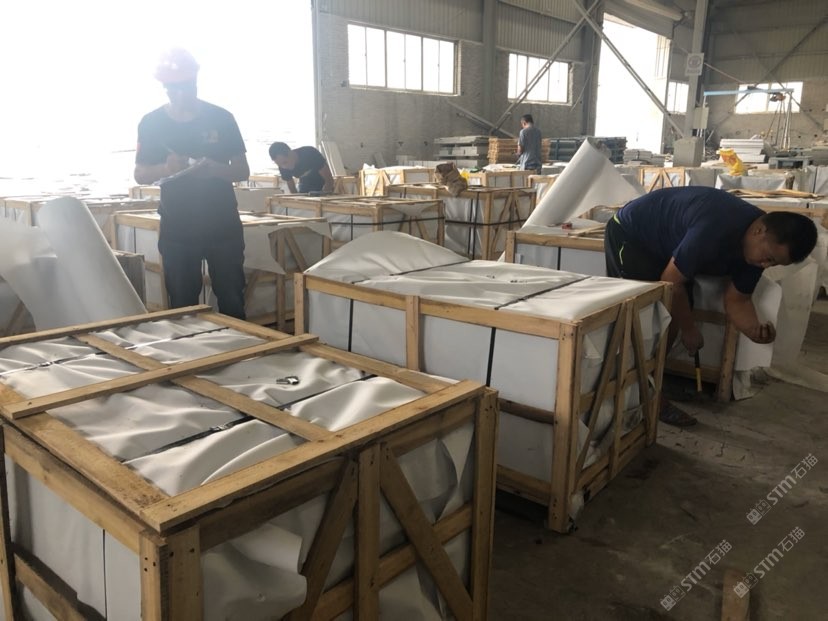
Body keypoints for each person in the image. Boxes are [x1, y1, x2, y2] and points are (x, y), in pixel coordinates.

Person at [604, 186, 818, 427]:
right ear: (759, 231)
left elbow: (738, 300)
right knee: (643, 317)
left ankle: (651, 385)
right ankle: (637, 394)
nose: (765, 265)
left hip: (665, 246)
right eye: (768, 257)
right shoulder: (716, 227)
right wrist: (689, 329)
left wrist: (754, 331)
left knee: (669, 316)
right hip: (631, 235)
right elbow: (671, 282)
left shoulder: (755, 254)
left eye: (774, 263)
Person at [134, 48, 250, 319]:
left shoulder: (222, 118)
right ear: (165, 88)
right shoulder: (151, 124)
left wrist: (215, 170)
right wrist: (166, 168)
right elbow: (140, 174)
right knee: (183, 307)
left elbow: (242, 170)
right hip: (178, 229)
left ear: (196, 82)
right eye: (174, 89)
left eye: (187, 87)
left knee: (232, 299)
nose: (182, 95)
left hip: (223, 226)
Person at [268, 142, 334, 193]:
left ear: (290, 153)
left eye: (285, 162)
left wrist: (322, 197)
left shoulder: (310, 153)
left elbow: (329, 181)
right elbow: (292, 190)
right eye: (279, 165)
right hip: (304, 186)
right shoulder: (282, 165)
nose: (284, 167)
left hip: (323, 184)